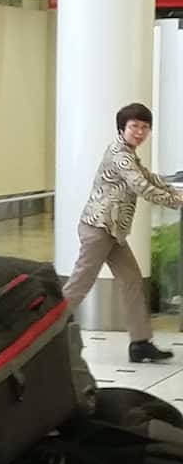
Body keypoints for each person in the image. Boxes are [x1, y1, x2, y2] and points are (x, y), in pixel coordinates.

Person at [64, 103, 183, 364]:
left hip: (112, 230)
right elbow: (141, 186)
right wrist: (176, 201)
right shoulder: (120, 153)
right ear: (122, 128)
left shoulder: (129, 153)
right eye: (134, 126)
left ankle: (140, 343)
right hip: (99, 228)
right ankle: (42, 335)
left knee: (131, 281)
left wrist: (175, 192)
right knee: (80, 283)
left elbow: (149, 177)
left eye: (144, 127)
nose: (140, 131)